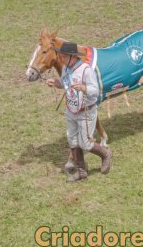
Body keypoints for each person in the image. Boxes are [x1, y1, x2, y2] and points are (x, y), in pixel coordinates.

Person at [44, 42, 112, 182]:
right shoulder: (66, 69)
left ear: (72, 56)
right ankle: (81, 172)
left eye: (63, 56)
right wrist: (56, 83)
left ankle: (105, 154)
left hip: (85, 112)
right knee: (72, 140)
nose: (61, 59)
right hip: (71, 110)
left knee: (85, 143)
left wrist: (84, 88)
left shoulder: (86, 70)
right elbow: (65, 82)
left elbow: (97, 91)